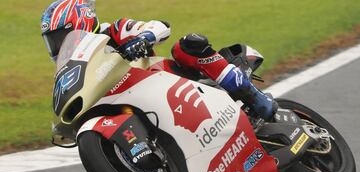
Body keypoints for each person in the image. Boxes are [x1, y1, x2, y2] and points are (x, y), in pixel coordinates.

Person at [41, 0, 277, 121]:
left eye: (61, 38)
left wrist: (142, 38)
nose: (59, 47)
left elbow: (160, 26)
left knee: (187, 45)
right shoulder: (79, 65)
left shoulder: (113, 31)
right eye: (53, 42)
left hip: (166, 80)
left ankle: (255, 98)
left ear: (81, 22)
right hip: (137, 104)